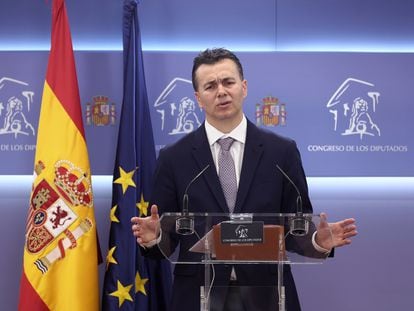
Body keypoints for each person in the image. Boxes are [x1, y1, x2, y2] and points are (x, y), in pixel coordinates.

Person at [131, 48, 357, 311]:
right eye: (210, 86)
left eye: (228, 82)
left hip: (268, 295)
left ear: (244, 87)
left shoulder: (281, 152)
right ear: (198, 98)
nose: (221, 91)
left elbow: (296, 227)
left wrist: (318, 241)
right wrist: (155, 237)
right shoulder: (173, 157)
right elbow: (167, 236)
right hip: (198, 296)